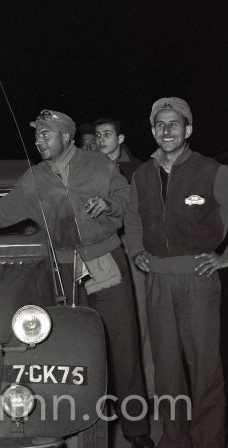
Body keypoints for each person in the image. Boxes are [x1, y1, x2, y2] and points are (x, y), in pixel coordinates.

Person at [0, 109, 154, 448]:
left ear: (66, 137)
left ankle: (137, 429)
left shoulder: (98, 164)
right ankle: (65, 424)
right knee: (64, 351)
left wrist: (110, 203)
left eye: (45, 134)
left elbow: (129, 198)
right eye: (37, 135)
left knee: (122, 346)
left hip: (106, 262)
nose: (38, 140)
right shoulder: (34, 178)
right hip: (63, 269)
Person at [125, 97, 228, 448]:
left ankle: (210, 446)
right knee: (166, 364)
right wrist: (136, 250)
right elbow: (133, 218)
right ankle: (174, 439)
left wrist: (224, 257)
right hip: (158, 279)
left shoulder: (212, 171)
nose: (166, 131)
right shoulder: (141, 175)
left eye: (174, 124)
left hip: (198, 277)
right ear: (153, 131)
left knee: (203, 363)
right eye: (159, 125)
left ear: (188, 129)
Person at [94, 118, 155, 398]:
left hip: (132, 248)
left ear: (120, 138)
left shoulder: (140, 169)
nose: (101, 139)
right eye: (98, 135)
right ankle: (106, 393)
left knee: (141, 320)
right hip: (99, 251)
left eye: (108, 134)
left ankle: (148, 392)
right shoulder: (87, 169)